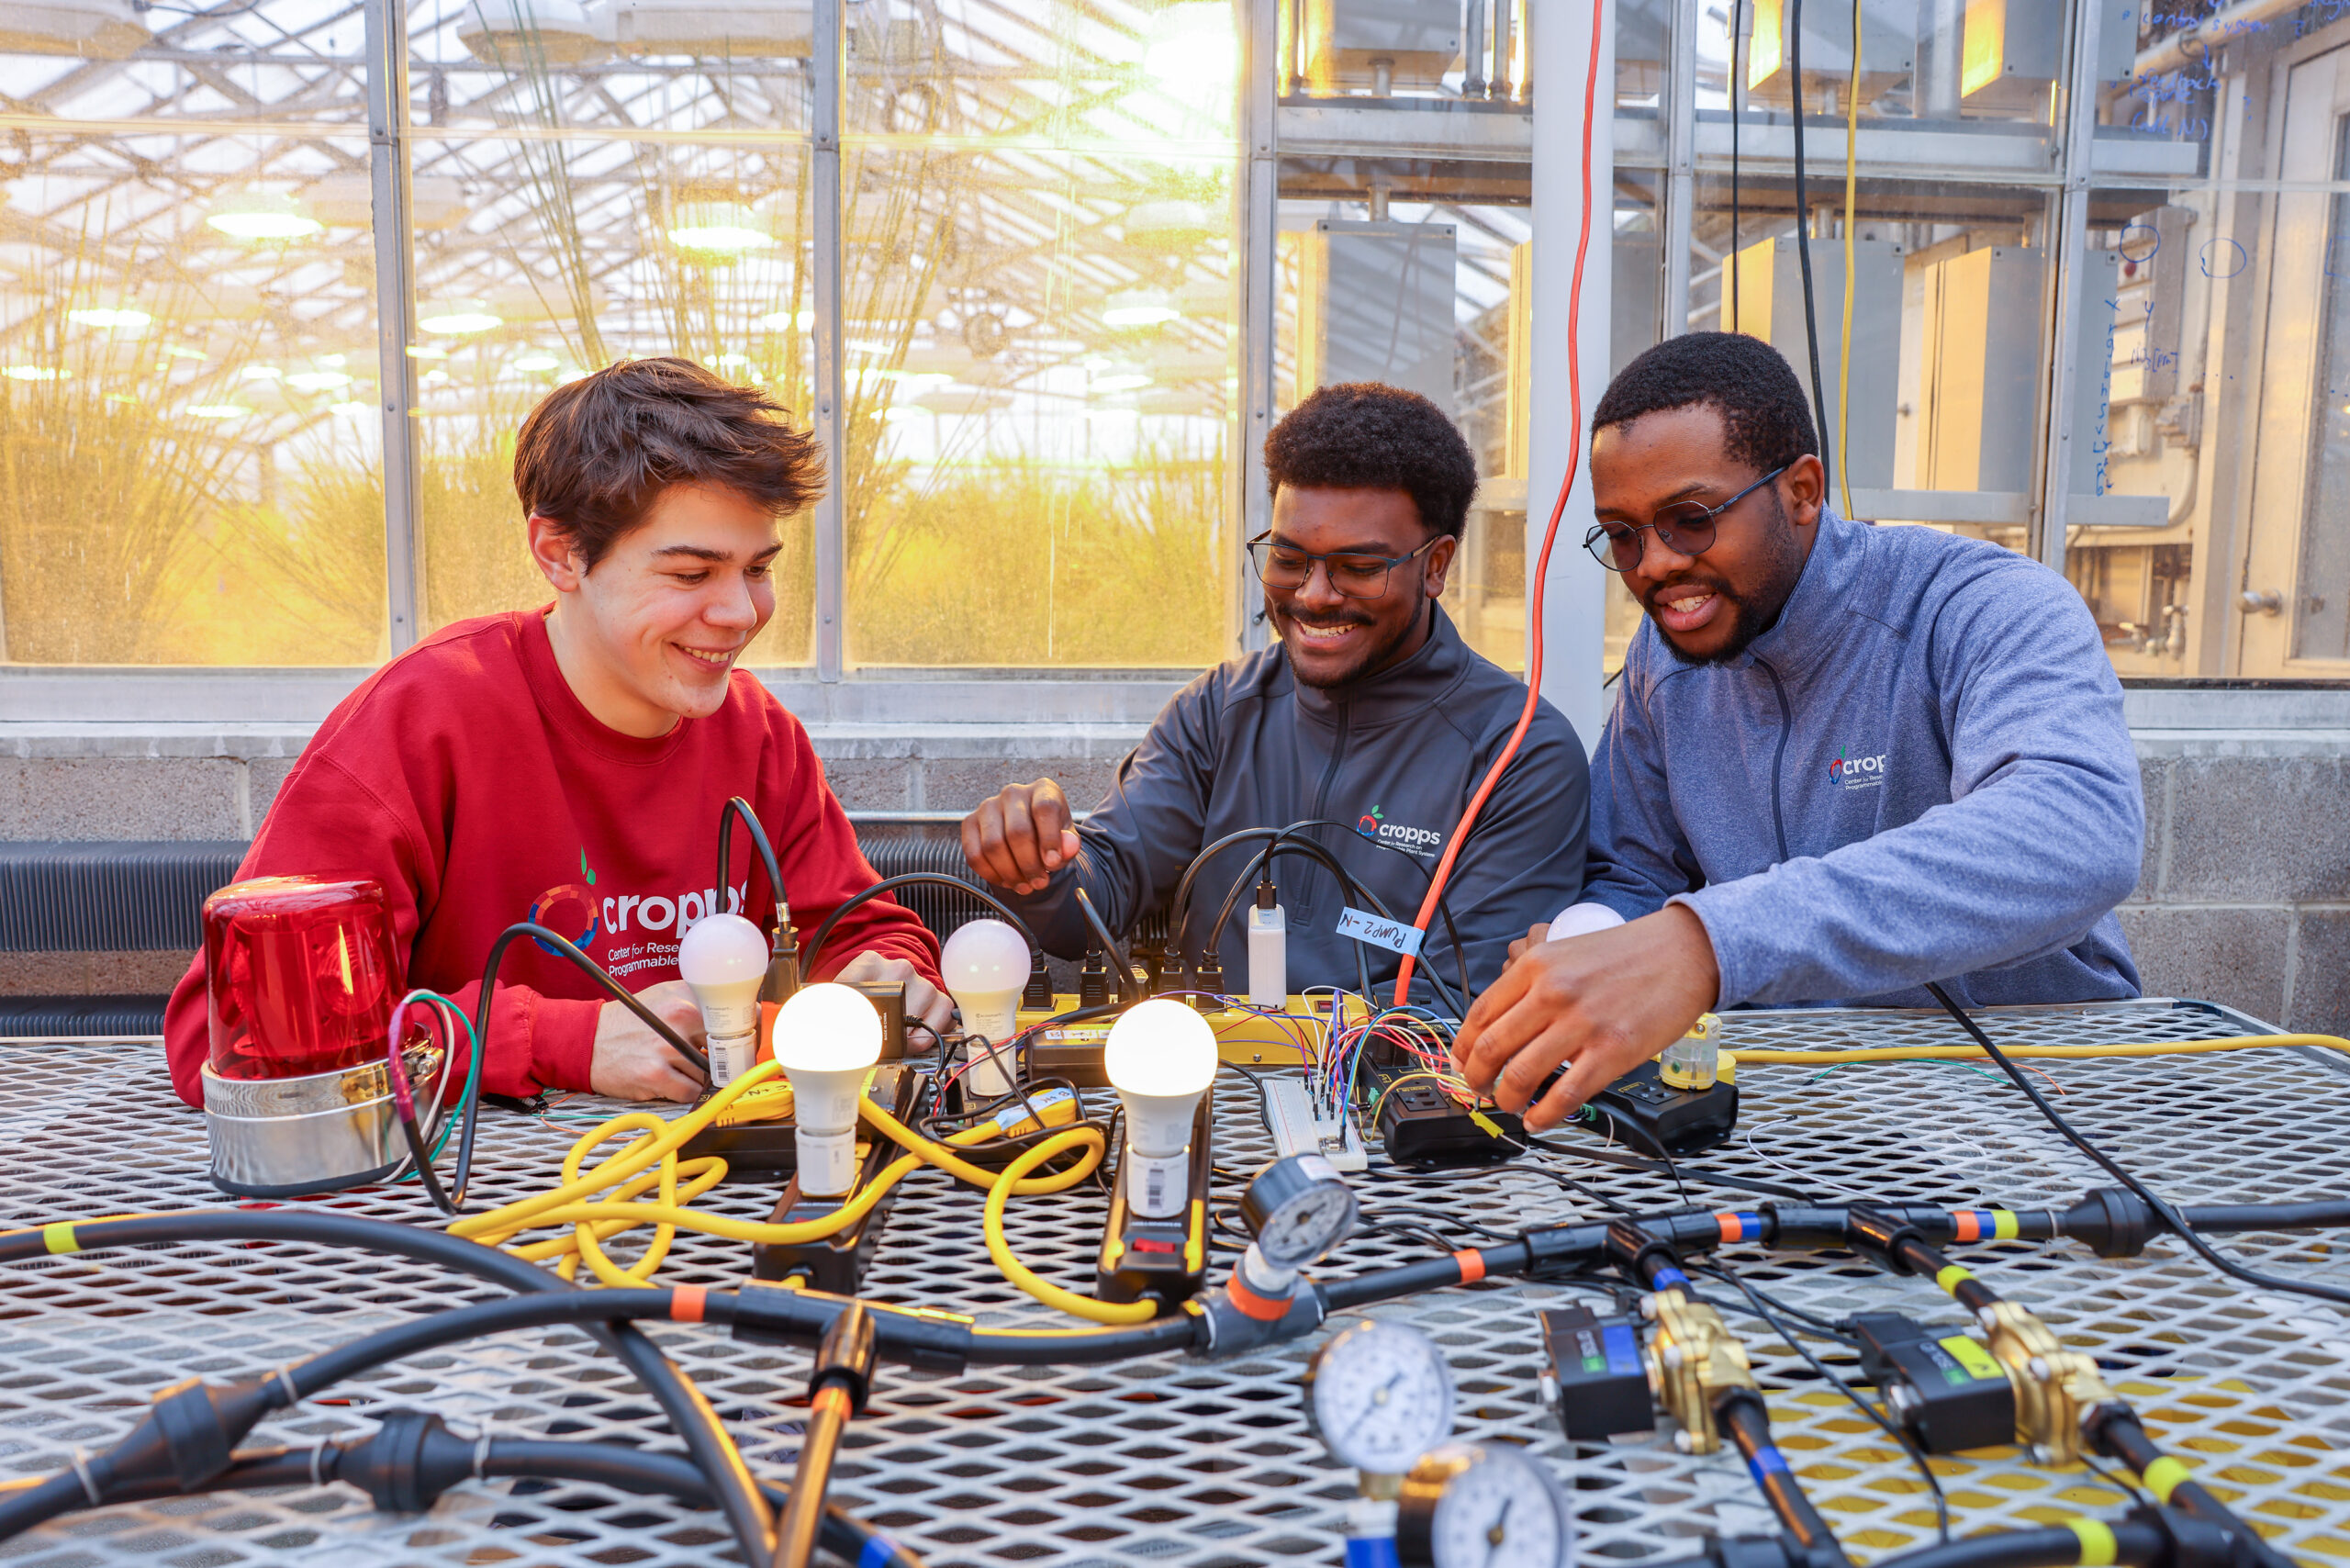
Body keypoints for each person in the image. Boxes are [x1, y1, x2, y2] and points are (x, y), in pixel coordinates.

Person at [164, 358, 948, 1108]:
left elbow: (861, 930)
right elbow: (228, 1044)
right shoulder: (420, 721)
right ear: (560, 553)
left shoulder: (757, 732)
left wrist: (886, 979)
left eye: (756, 569)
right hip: (461, 1210)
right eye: (690, 574)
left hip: (708, 1201)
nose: (741, 614)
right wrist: (560, 1039)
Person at [1453, 331, 2142, 1128]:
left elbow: (2076, 832)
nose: (1653, 566)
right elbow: (1635, 868)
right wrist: (1586, 940)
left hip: (2036, 1098)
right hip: (1805, 1110)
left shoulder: (1978, 608)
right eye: (1624, 534)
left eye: (1689, 518)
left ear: (1803, 491)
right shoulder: (1664, 661)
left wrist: (1707, 945)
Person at [959, 382, 1589, 1002]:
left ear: (1436, 565)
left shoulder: (1518, 755)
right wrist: (1039, 866)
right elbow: (1092, 909)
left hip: (1389, 1096)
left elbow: (1464, 1003)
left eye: (1359, 568)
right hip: (1202, 1083)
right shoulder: (1219, 711)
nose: (1314, 595)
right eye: (1289, 558)